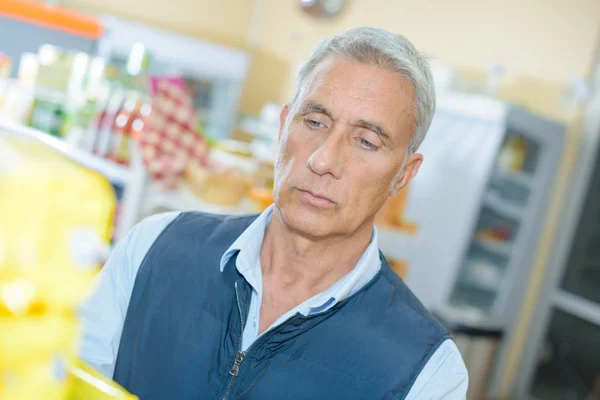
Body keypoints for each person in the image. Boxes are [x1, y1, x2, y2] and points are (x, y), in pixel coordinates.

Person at [79, 26, 468, 399]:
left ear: (404, 174)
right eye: (314, 122)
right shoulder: (152, 249)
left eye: (366, 141)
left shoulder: (426, 372)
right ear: (284, 126)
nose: (323, 159)